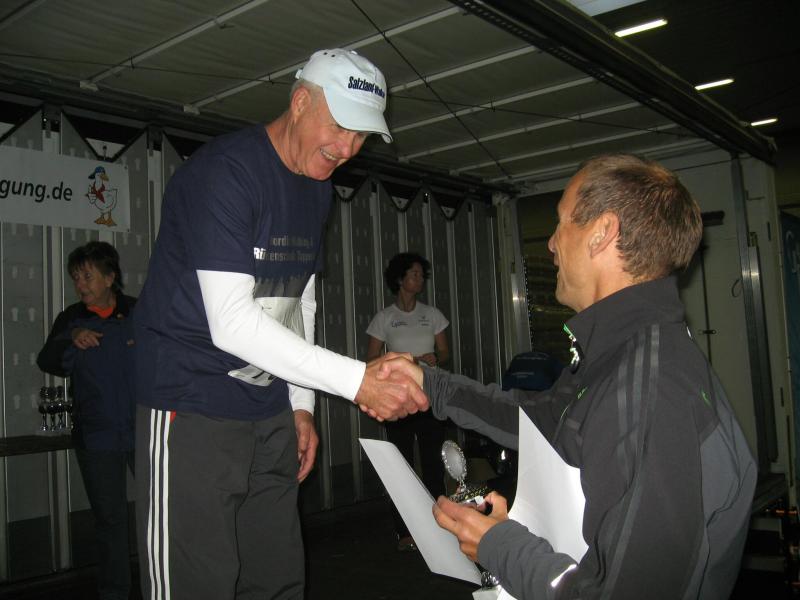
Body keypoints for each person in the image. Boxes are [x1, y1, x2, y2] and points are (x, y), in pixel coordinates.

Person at [379, 154, 757, 599]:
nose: (552, 243)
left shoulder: (648, 387)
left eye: (561, 222)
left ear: (602, 232)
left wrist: (500, 545)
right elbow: (538, 418)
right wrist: (429, 384)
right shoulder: (623, 354)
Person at [133, 48, 427, 600]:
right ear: (299, 103)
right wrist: (358, 381)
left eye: (362, 136)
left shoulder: (317, 188)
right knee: (196, 583)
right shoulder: (226, 173)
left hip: (268, 409)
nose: (348, 148)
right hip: (191, 402)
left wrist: (300, 405)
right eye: (339, 126)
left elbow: (299, 299)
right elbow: (231, 322)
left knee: (275, 578)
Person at [37, 241, 136, 600]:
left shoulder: (137, 312)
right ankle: (115, 593)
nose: (80, 285)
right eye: (76, 278)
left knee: (160, 513)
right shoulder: (72, 318)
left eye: (87, 276)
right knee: (110, 520)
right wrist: (70, 337)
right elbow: (47, 361)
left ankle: (167, 585)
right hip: (97, 437)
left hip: (143, 432)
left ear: (110, 277)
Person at [366, 252, 450, 551]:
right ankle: (404, 532)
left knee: (433, 464)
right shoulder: (384, 318)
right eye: (414, 274)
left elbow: (445, 353)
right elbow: (371, 359)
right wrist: (402, 361)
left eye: (421, 274)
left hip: (430, 397)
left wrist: (434, 357)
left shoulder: (432, 314)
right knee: (401, 466)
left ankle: (442, 528)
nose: (420, 279)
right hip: (398, 400)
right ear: (400, 279)